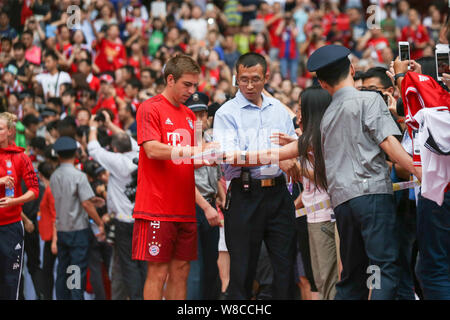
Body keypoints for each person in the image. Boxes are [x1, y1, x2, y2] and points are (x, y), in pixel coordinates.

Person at [306, 44, 421, 299]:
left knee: (353, 276)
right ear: (352, 69)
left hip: (343, 203)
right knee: (383, 268)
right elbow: (389, 143)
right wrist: (421, 171)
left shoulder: (327, 116)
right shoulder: (368, 99)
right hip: (371, 196)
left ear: (322, 83)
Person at [214, 52, 298, 300]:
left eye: (255, 79)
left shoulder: (279, 112)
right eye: (243, 79)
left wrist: (286, 155)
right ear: (235, 78)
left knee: (285, 266)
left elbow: (291, 154)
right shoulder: (226, 113)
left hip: (279, 194)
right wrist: (276, 154)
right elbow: (230, 156)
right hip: (245, 194)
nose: (249, 85)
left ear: (266, 77)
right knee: (242, 269)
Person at [132, 54, 216, 300]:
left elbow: (186, 160)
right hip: (156, 208)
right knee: (158, 272)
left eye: (195, 86)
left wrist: (209, 157)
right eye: (186, 85)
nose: (191, 91)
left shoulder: (190, 117)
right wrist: (194, 151)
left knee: (181, 271)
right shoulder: (150, 107)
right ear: (170, 79)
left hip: (185, 209)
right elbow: (152, 149)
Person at [87, 110, 147, 300]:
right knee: (145, 263)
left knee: (129, 265)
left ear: (114, 148)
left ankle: (137, 298)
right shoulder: (141, 153)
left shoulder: (116, 161)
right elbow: (127, 139)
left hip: (124, 222)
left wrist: (93, 127)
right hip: (143, 217)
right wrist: (109, 123)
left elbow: (93, 149)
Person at [50, 136, 105, 300]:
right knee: (75, 270)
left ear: (58, 156)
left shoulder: (54, 176)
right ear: (75, 153)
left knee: (62, 270)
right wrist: (100, 222)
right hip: (78, 230)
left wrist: (90, 201)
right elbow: (86, 205)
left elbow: (68, 197)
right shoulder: (79, 176)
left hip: (62, 229)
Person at [185, 92, 225, 300]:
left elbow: (217, 175)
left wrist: (223, 198)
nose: (199, 120)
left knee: (211, 267)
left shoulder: (211, 139)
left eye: (202, 114)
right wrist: (207, 207)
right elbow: (183, 181)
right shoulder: (182, 142)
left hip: (210, 204)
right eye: (194, 115)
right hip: (192, 207)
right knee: (195, 271)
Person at [0, 112, 39, 300]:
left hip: (11, 225)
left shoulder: (20, 157)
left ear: (9, 131)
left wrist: (15, 200)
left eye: (0, 129)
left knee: (11, 280)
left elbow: (34, 189)